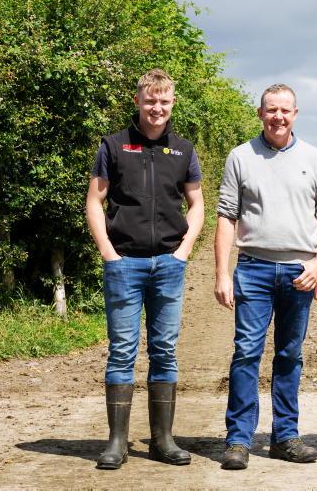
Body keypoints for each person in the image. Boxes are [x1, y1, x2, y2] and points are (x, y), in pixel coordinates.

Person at [214, 84, 317, 470]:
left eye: (285, 110)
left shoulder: (315, 158)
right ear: (260, 113)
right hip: (253, 268)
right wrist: (222, 273)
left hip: (300, 273)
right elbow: (226, 216)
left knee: (289, 354)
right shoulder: (240, 157)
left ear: (296, 114)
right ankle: (238, 440)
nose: (278, 116)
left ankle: (285, 436)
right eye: (271, 110)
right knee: (247, 353)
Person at [86, 68, 204, 470]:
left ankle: (163, 440)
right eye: (150, 100)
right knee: (121, 352)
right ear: (137, 101)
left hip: (169, 265)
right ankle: (116, 442)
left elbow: (198, 204)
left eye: (164, 101)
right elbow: (95, 202)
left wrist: (185, 250)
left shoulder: (184, 150)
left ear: (172, 103)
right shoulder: (114, 145)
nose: (157, 107)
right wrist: (108, 252)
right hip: (124, 264)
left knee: (164, 351)